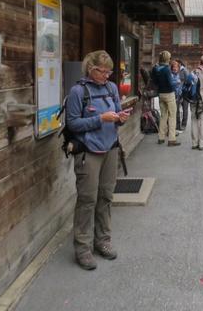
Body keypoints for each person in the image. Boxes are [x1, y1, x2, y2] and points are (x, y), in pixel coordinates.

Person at [66, 50, 130, 271]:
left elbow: (118, 114)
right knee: (87, 200)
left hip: (110, 149)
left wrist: (120, 118)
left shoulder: (111, 89)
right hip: (89, 153)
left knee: (106, 196)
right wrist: (99, 119)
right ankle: (82, 248)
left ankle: (103, 240)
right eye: (101, 71)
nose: (105, 75)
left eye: (108, 72)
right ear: (90, 69)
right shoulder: (78, 91)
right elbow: (73, 124)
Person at [151, 50, 180, 146]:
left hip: (161, 94)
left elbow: (154, 81)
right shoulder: (167, 69)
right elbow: (170, 83)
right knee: (172, 116)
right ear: (167, 58)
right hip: (169, 94)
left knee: (163, 116)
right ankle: (172, 139)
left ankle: (161, 137)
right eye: (170, 57)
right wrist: (177, 83)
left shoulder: (156, 68)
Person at [170, 60, 183, 134]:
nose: (175, 68)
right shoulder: (171, 75)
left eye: (176, 67)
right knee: (173, 113)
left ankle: (177, 127)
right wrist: (177, 83)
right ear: (171, 68)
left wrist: (180, 93)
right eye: (174, 67)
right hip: (172, 96)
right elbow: (171, 84)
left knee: (177, 112)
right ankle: (174, 129)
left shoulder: (177, 74)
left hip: (178, 96)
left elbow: (179, 85)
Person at [177, 59, 189, 130]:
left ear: (180, 64)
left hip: (184, 93)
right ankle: (178, 124)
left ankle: (184, 124)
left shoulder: (184, 70)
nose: (176, 65)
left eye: (177, 64)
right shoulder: (176, 70)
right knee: (177, 109)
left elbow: (187, 81)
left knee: (185, 108)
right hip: (178, 92)